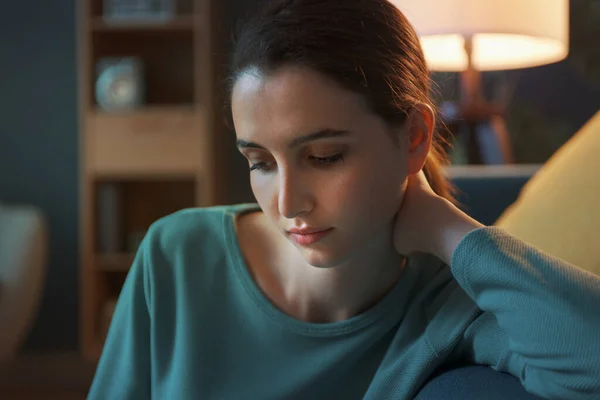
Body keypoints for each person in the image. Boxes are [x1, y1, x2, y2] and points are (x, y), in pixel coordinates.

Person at [87, 0, 600, 399]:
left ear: (414, 137)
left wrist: (447, 229)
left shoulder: (450, 305)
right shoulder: (175, 255)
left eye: (325, 156)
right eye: (260, 163)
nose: (288, 203)